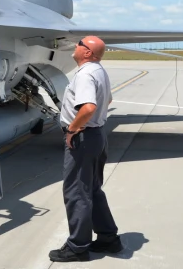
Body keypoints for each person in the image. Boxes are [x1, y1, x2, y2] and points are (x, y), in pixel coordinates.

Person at [49, 36, 122, 263]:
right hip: (97, 135)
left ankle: (77, 248)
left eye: (80, 44)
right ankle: (108, 238)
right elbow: (106, 101)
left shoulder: (85, 75)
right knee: (93, 190)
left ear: (87, 52)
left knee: (77, 193)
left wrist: (72, 129)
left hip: (83, 138)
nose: (76, 46)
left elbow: (89, 107)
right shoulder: (99, 70)